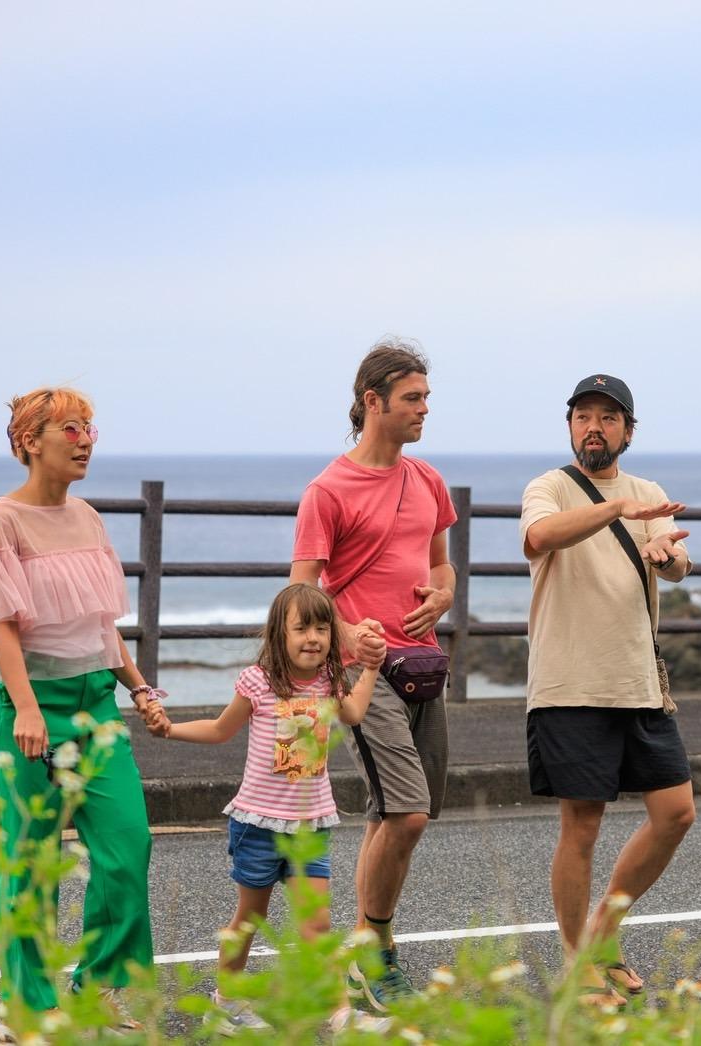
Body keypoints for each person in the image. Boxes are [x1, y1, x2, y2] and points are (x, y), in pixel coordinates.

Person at [0, 387, 164, 1041]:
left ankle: (99, 987)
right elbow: (1, 623)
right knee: (29, 859)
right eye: (71, 428)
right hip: (27, 709)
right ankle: (24, 1009)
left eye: (90, 428)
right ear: (31, 441)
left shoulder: (89, 518)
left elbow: (100, 625)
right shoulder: (4, 520)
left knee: (126, 845)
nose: (86, 439)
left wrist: (139, 689)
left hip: (95, 706)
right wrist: (26, 707)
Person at [289, 337, 457, 1013]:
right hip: (364, 674)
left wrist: (444, 594)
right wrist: (344, 632)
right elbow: (301, 593)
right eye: (412, 399)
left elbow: (441, 567)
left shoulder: (428, 480)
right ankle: (373, 946)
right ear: (372, 402)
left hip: (424, 669)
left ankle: (364, 948)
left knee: (400, 812)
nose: (423, 411)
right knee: (408, 813)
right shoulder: (328, 490)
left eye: (426, 399)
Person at [519, 373, 696, 1008]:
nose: (595, 426)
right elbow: (540, 538)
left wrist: (666, 556)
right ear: (569, 426)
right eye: (584, 416)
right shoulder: (549, 488)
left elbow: (676, 564)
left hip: (640, 683)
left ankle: (602, 933)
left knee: (676, 814)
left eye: (609, 417)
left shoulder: (649, 491)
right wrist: (616, 510)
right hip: (570, 685)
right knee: (583, 827)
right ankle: (577, 966)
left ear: (628, 430)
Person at [145, 583, 381, 1033]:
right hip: (258, 823)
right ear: (279, 634)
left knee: (317, 923)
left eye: (322, 628)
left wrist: (369, 668)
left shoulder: (330, 681)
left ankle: (339, 1012)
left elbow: (352, 714)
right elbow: (219, 729)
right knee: (250, 919)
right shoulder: (258, 681)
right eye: (301, 628)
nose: (313, 637)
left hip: (311, 823)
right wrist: (170, 731)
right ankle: (227, 998)